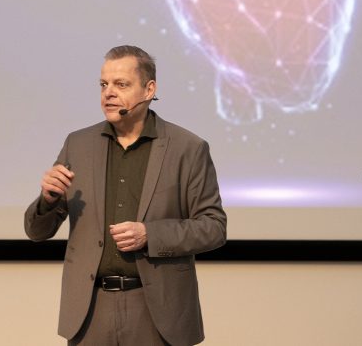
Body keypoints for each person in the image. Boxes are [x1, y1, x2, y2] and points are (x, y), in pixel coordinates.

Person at [25, 45, 227, 345]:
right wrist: (48, 199)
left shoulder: (188, 148)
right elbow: (37, 232)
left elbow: (213, 228)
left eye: (121, 84)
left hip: (157, 310)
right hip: (89, 310)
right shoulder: (78, 144)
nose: (108, 93)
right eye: (103, 84)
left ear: (149, 89)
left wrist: (150, 235)